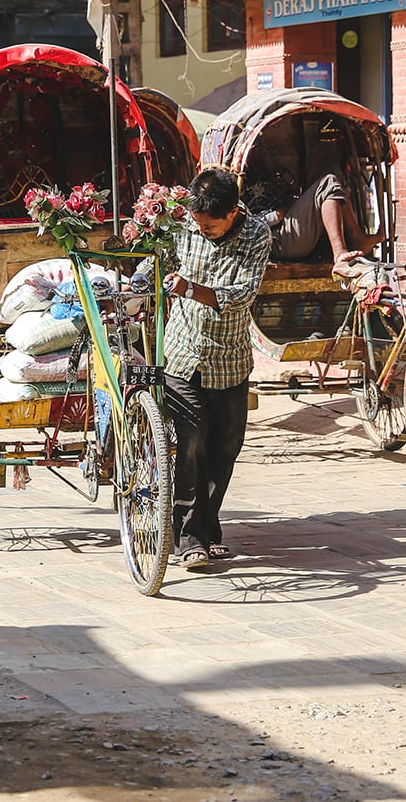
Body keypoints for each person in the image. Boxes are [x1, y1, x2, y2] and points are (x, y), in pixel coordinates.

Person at [162, 167, 270, 570]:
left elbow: (241, 295)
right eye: (198, 224)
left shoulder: (256, 235)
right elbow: (152, 253)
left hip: (229, 359)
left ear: (231, 213)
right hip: (182, 352)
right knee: (191, 440)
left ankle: (207, 529)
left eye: (210, 226)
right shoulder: (181, 225)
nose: (202, 230)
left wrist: (190, 288)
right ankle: (187, 536)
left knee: (225, 447)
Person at [252, 171, 383, 277]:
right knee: (328, 183)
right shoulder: (242, 188)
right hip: (278, 239)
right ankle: (339, 253)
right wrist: (278, 213)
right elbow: (252, 223)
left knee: (336, 183)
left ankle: (356, 238)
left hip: (288, 232)